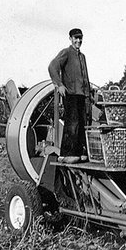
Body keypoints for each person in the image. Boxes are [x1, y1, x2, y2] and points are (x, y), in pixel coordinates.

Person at [48, 28, 92, 164]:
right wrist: (59, 84)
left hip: (82, 95)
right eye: (75, 38)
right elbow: (52, 66)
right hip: (71, 94)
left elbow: (85, 77)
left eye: (80, 38)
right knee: (72, 124)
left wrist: (89, 94)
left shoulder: (82, 56)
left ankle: (79, 152)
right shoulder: (66, 52)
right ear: (70, 39)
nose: (78, 41)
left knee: (83, 124)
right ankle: (67, 153)